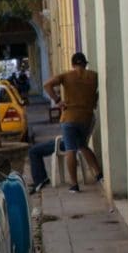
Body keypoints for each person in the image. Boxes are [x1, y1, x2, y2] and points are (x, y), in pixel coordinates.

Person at [43, 52, 103, 192]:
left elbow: (47, 85)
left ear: (72, 64)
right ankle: (99, 174)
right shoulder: (94, 76)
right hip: (86, 117)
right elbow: (98, 94)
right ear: (85, 64)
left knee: (71, 149)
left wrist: (58, 101)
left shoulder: (66, 76)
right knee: (83, 145)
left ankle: (74, 185)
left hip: (69, 117)